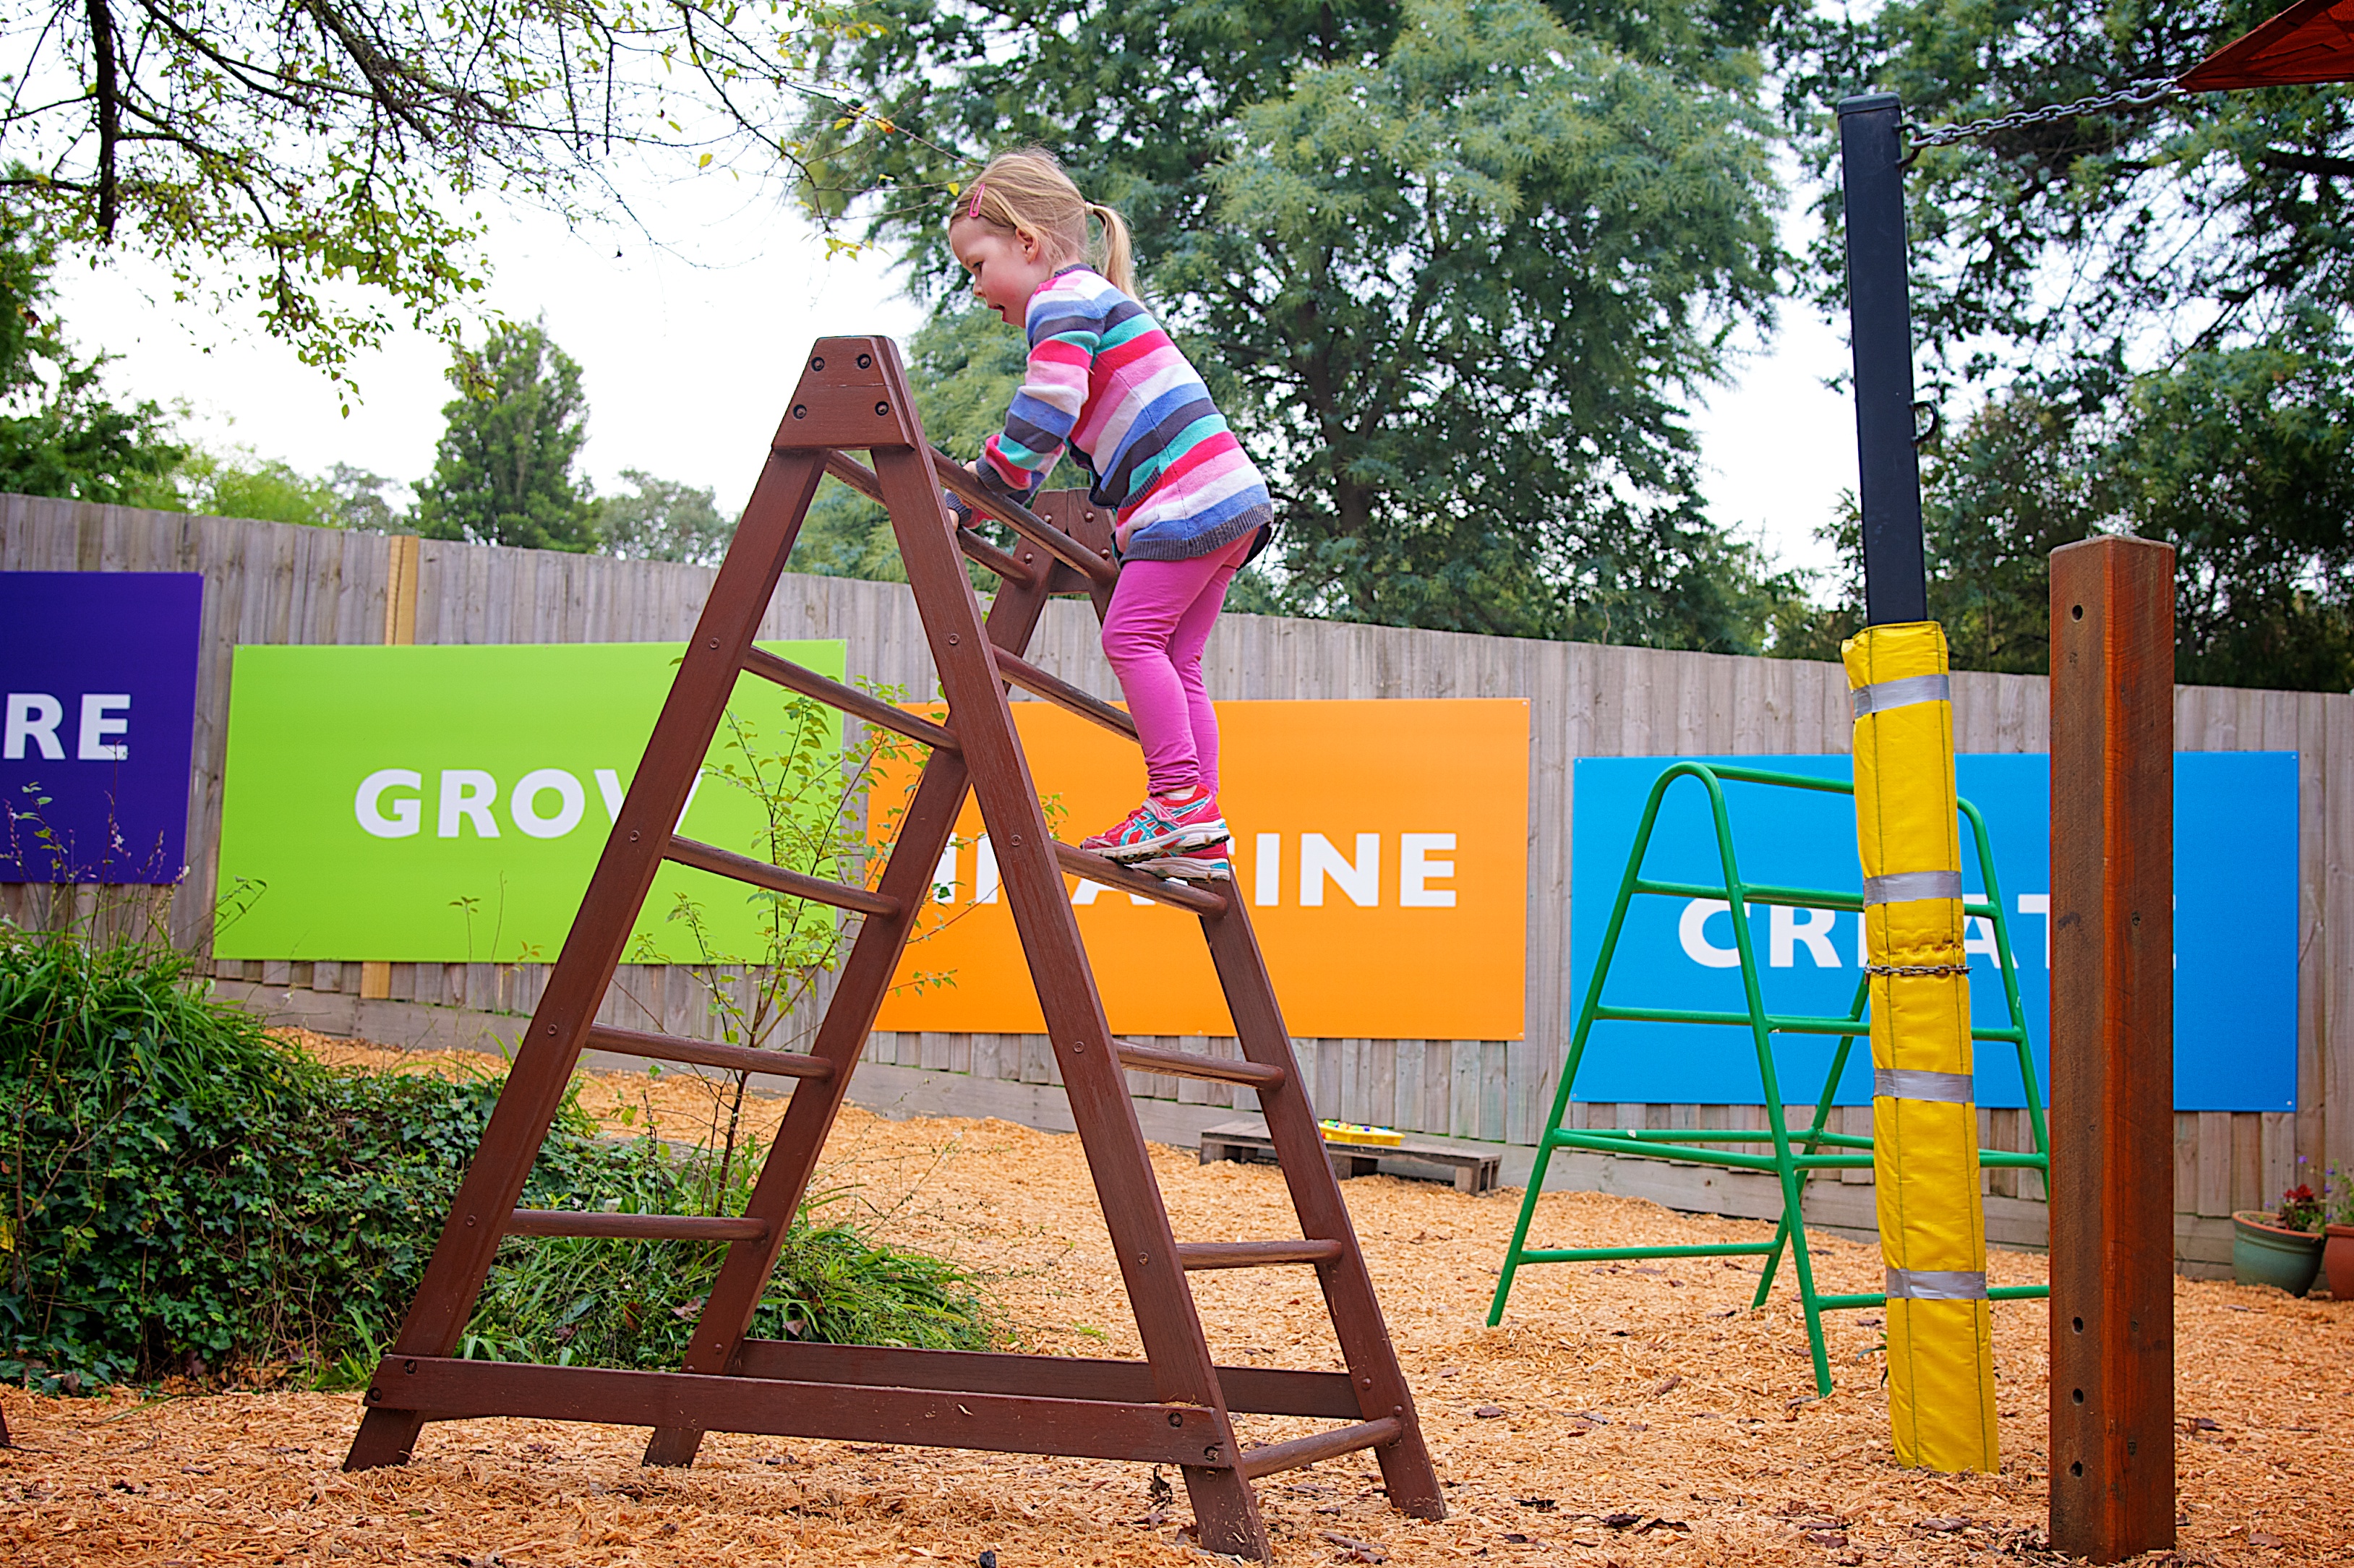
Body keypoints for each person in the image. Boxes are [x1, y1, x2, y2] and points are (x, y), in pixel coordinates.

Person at [945, 148, 1273, 882]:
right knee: (1176, 658)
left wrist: (985, 483)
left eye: (975, 265)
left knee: (1130, 638)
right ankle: (1202, 828)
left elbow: (1046, 408)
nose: (974, 289)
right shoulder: (1095, 299)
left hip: (1184, 500)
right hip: (1229, 500)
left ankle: (1176, 801)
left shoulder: (1063, 300)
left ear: (1027, 243)